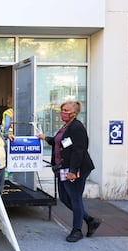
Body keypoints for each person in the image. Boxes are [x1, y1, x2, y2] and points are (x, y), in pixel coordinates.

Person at [37, 100, 101, 242]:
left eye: (66, 110)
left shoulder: (77, 127)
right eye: (62, 110)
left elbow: (79, 150)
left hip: (75, 169)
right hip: (63, 169)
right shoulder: (66, 127)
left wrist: (73, 170)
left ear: (75, 113)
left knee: (75, 198)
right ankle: (90, 220)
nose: (63, 113)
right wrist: (46, 138)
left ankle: (77, 230)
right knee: (65, 198)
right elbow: (60, 142)